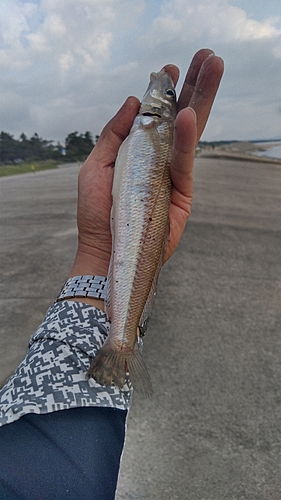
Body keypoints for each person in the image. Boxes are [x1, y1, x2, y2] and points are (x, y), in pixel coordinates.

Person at [0, 49, 224, 499]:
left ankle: (119, 344)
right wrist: (99, 249)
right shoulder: (148, 126)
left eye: (163, 91)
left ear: (158, 106)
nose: (158, 88)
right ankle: (119, 345)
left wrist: (97, 255)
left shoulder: (151, 126)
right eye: (163, 90)